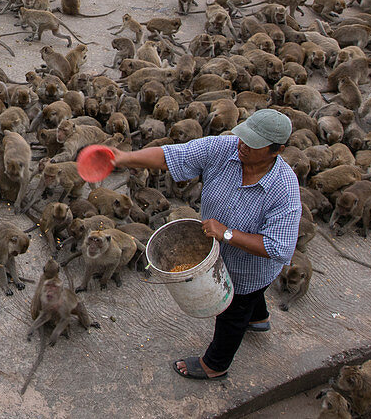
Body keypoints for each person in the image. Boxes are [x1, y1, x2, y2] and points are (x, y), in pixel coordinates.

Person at [107, 108, 300, 380]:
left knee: (233, 312)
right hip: (216, 253)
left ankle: (215, 364)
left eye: (253, 144)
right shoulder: (224, 149)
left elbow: (279, 248)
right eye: (244, 137)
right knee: (251, 303)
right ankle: (259, 320)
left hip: (248, 270)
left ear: (275, 151)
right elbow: (172, 155)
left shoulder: (284, 189)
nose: (243, 146)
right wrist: (126, 158)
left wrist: (227, 234)